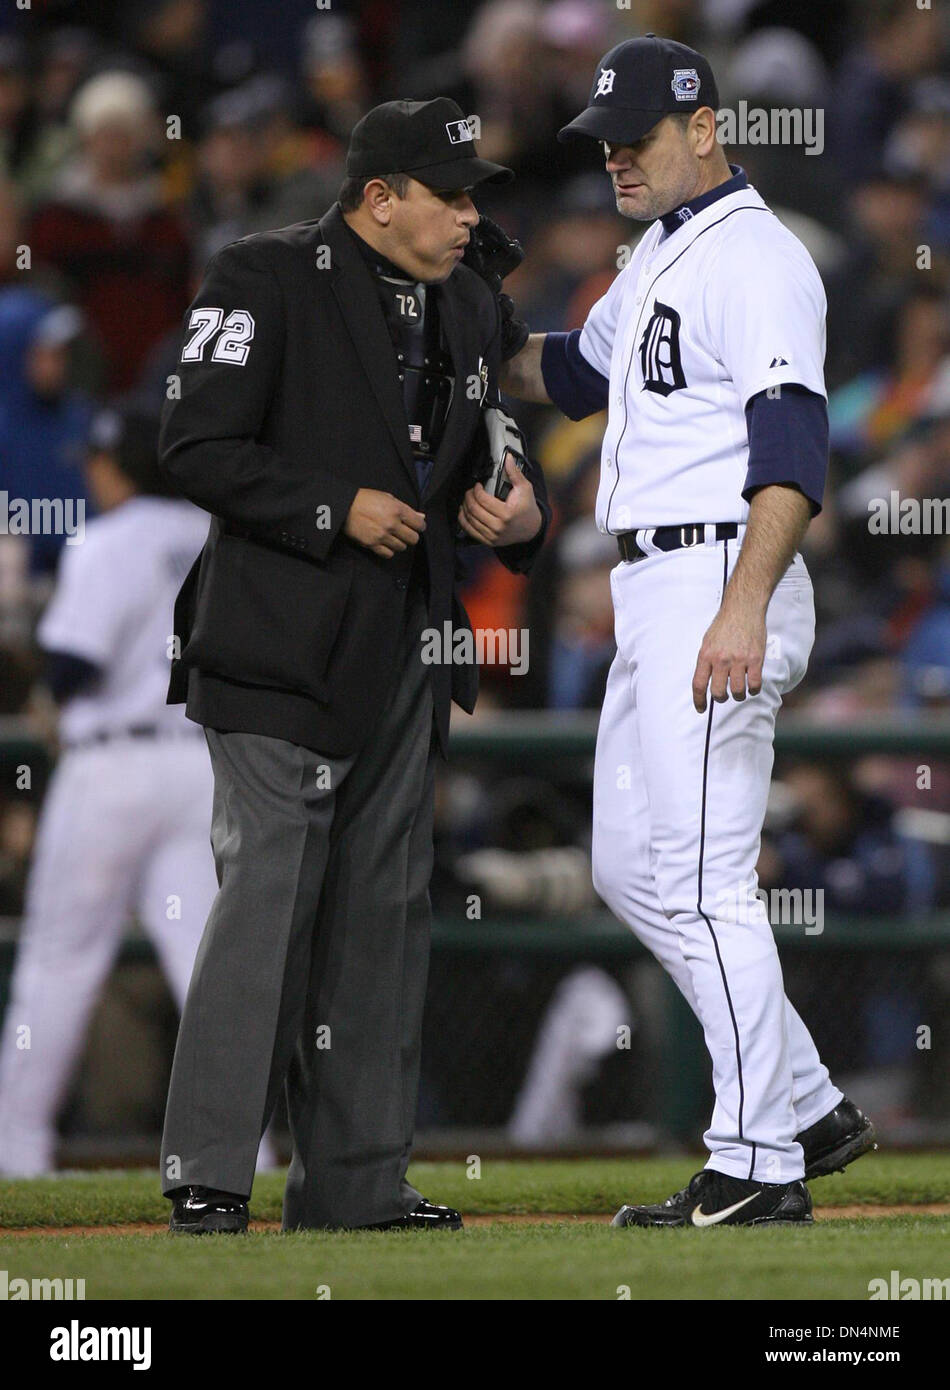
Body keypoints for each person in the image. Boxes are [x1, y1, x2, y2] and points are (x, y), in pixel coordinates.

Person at [502, 35, 875, 1228]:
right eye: (603, 139)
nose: (615, 155)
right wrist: (447, 339)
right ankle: (806, 1100)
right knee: (628, 864)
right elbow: (566, 376)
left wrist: (743, 604)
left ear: (703, 126)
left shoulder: (755, 257)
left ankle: (757, 1161)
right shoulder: (658, 250)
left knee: (708, 883)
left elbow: (792, 446)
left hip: (723, 569)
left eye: (637, 134)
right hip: (652, 589)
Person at [158, 97, 550, 1233]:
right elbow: (191, 441)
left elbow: (500, 457)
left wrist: (518, 519)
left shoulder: (470, 301)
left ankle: (354, 1183)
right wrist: (331, 505)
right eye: (452, 193)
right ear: (379, 198)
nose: (471, 214)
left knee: (384, 913)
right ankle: (209, 1177)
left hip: (406, 651)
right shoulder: (262, 274)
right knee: (268, 900)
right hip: (277, 647)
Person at [0, 408, 219, 1175]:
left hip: (112, 767)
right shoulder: (209, 531)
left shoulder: (111, 538)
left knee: (61, 958)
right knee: (209, 969)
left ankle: (17, 1155)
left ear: (112, 464)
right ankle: (242, 1158)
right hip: (200, 767)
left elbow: (71, 665)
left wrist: (43, 695)